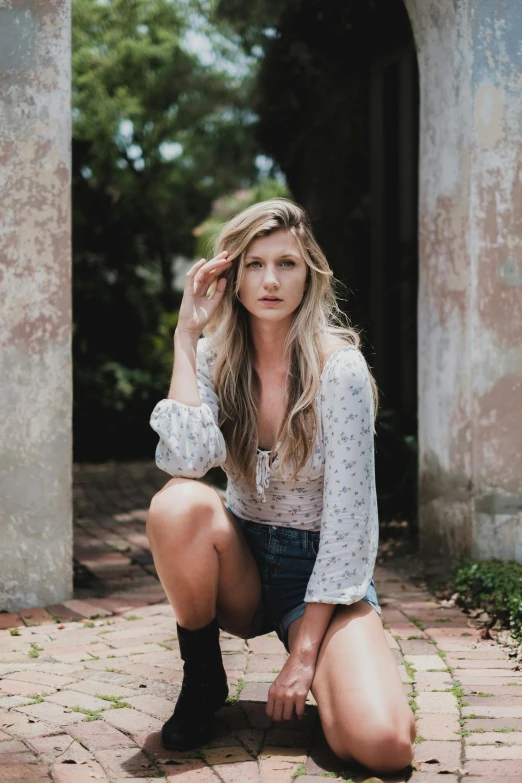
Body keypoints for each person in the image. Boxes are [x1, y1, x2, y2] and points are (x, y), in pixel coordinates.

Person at [146, 198, 416, 774]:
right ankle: (202, 680)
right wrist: (186, 335)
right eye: (254, 264)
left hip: (322, 575)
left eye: (287, 263)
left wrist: (304, 654)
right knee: (179, 505)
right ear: (232, 277)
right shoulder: (216, 357)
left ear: (309, 274)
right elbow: (187, 460)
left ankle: (345, 673)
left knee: (382, 746)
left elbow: (350, 523)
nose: (271, 280)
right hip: (243, 562)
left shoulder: (338, 369)